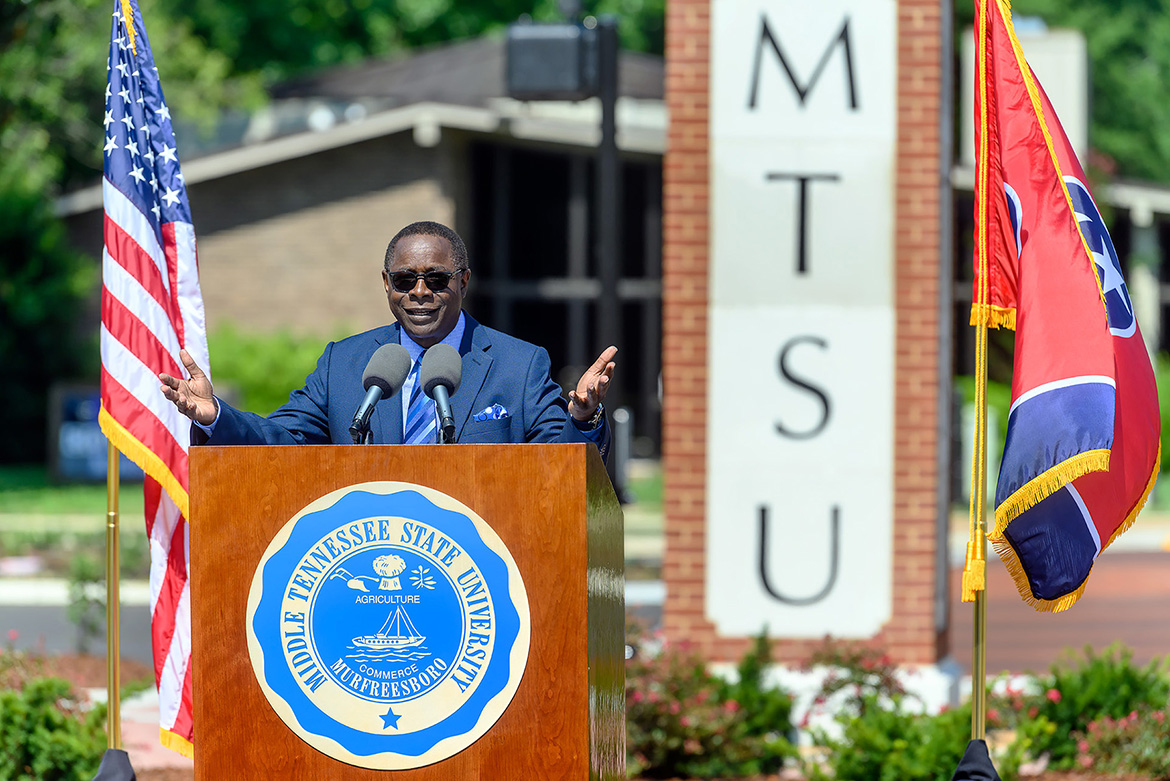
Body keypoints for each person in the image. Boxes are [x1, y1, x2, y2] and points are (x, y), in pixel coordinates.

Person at [159, 221, 616, 458]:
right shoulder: (346, 362)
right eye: (404, 280)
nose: (419, 292)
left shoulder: (518, 365)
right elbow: (283, 441)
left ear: (464, 281)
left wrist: (583, 415)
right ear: (386, 284)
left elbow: (557, 470)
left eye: (436, 279)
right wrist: (216, 415)